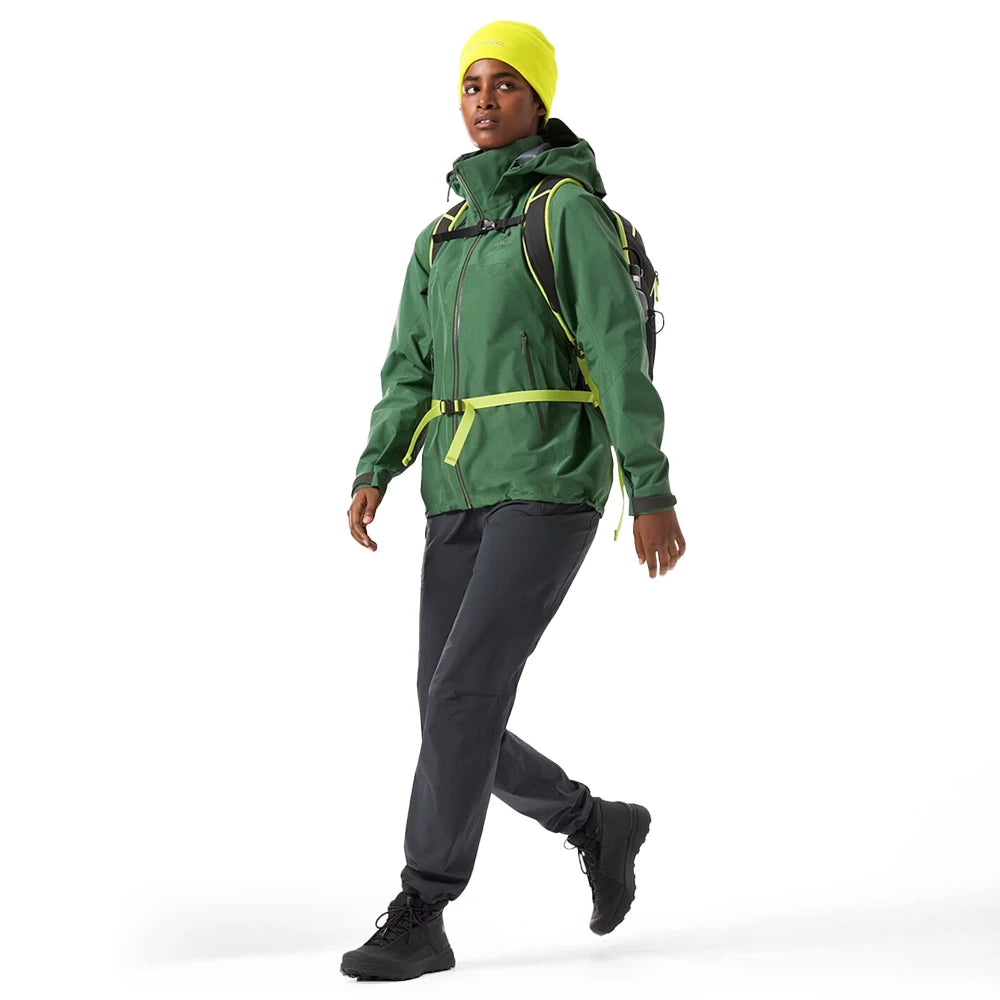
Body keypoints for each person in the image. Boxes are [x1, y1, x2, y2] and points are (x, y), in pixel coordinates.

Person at [341, 20, 686, 982]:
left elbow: (616, 350)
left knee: (461, 696)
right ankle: (594, 822)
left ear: (539, 100)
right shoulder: (440, 238)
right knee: (449, 708)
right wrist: (376, 466)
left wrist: (650, 485)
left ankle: (424, 905)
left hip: (549, 480)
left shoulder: (565, 212)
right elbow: (409, 369)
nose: (484, 100)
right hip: (457, 485)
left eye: (504, 84)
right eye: (471, 84)